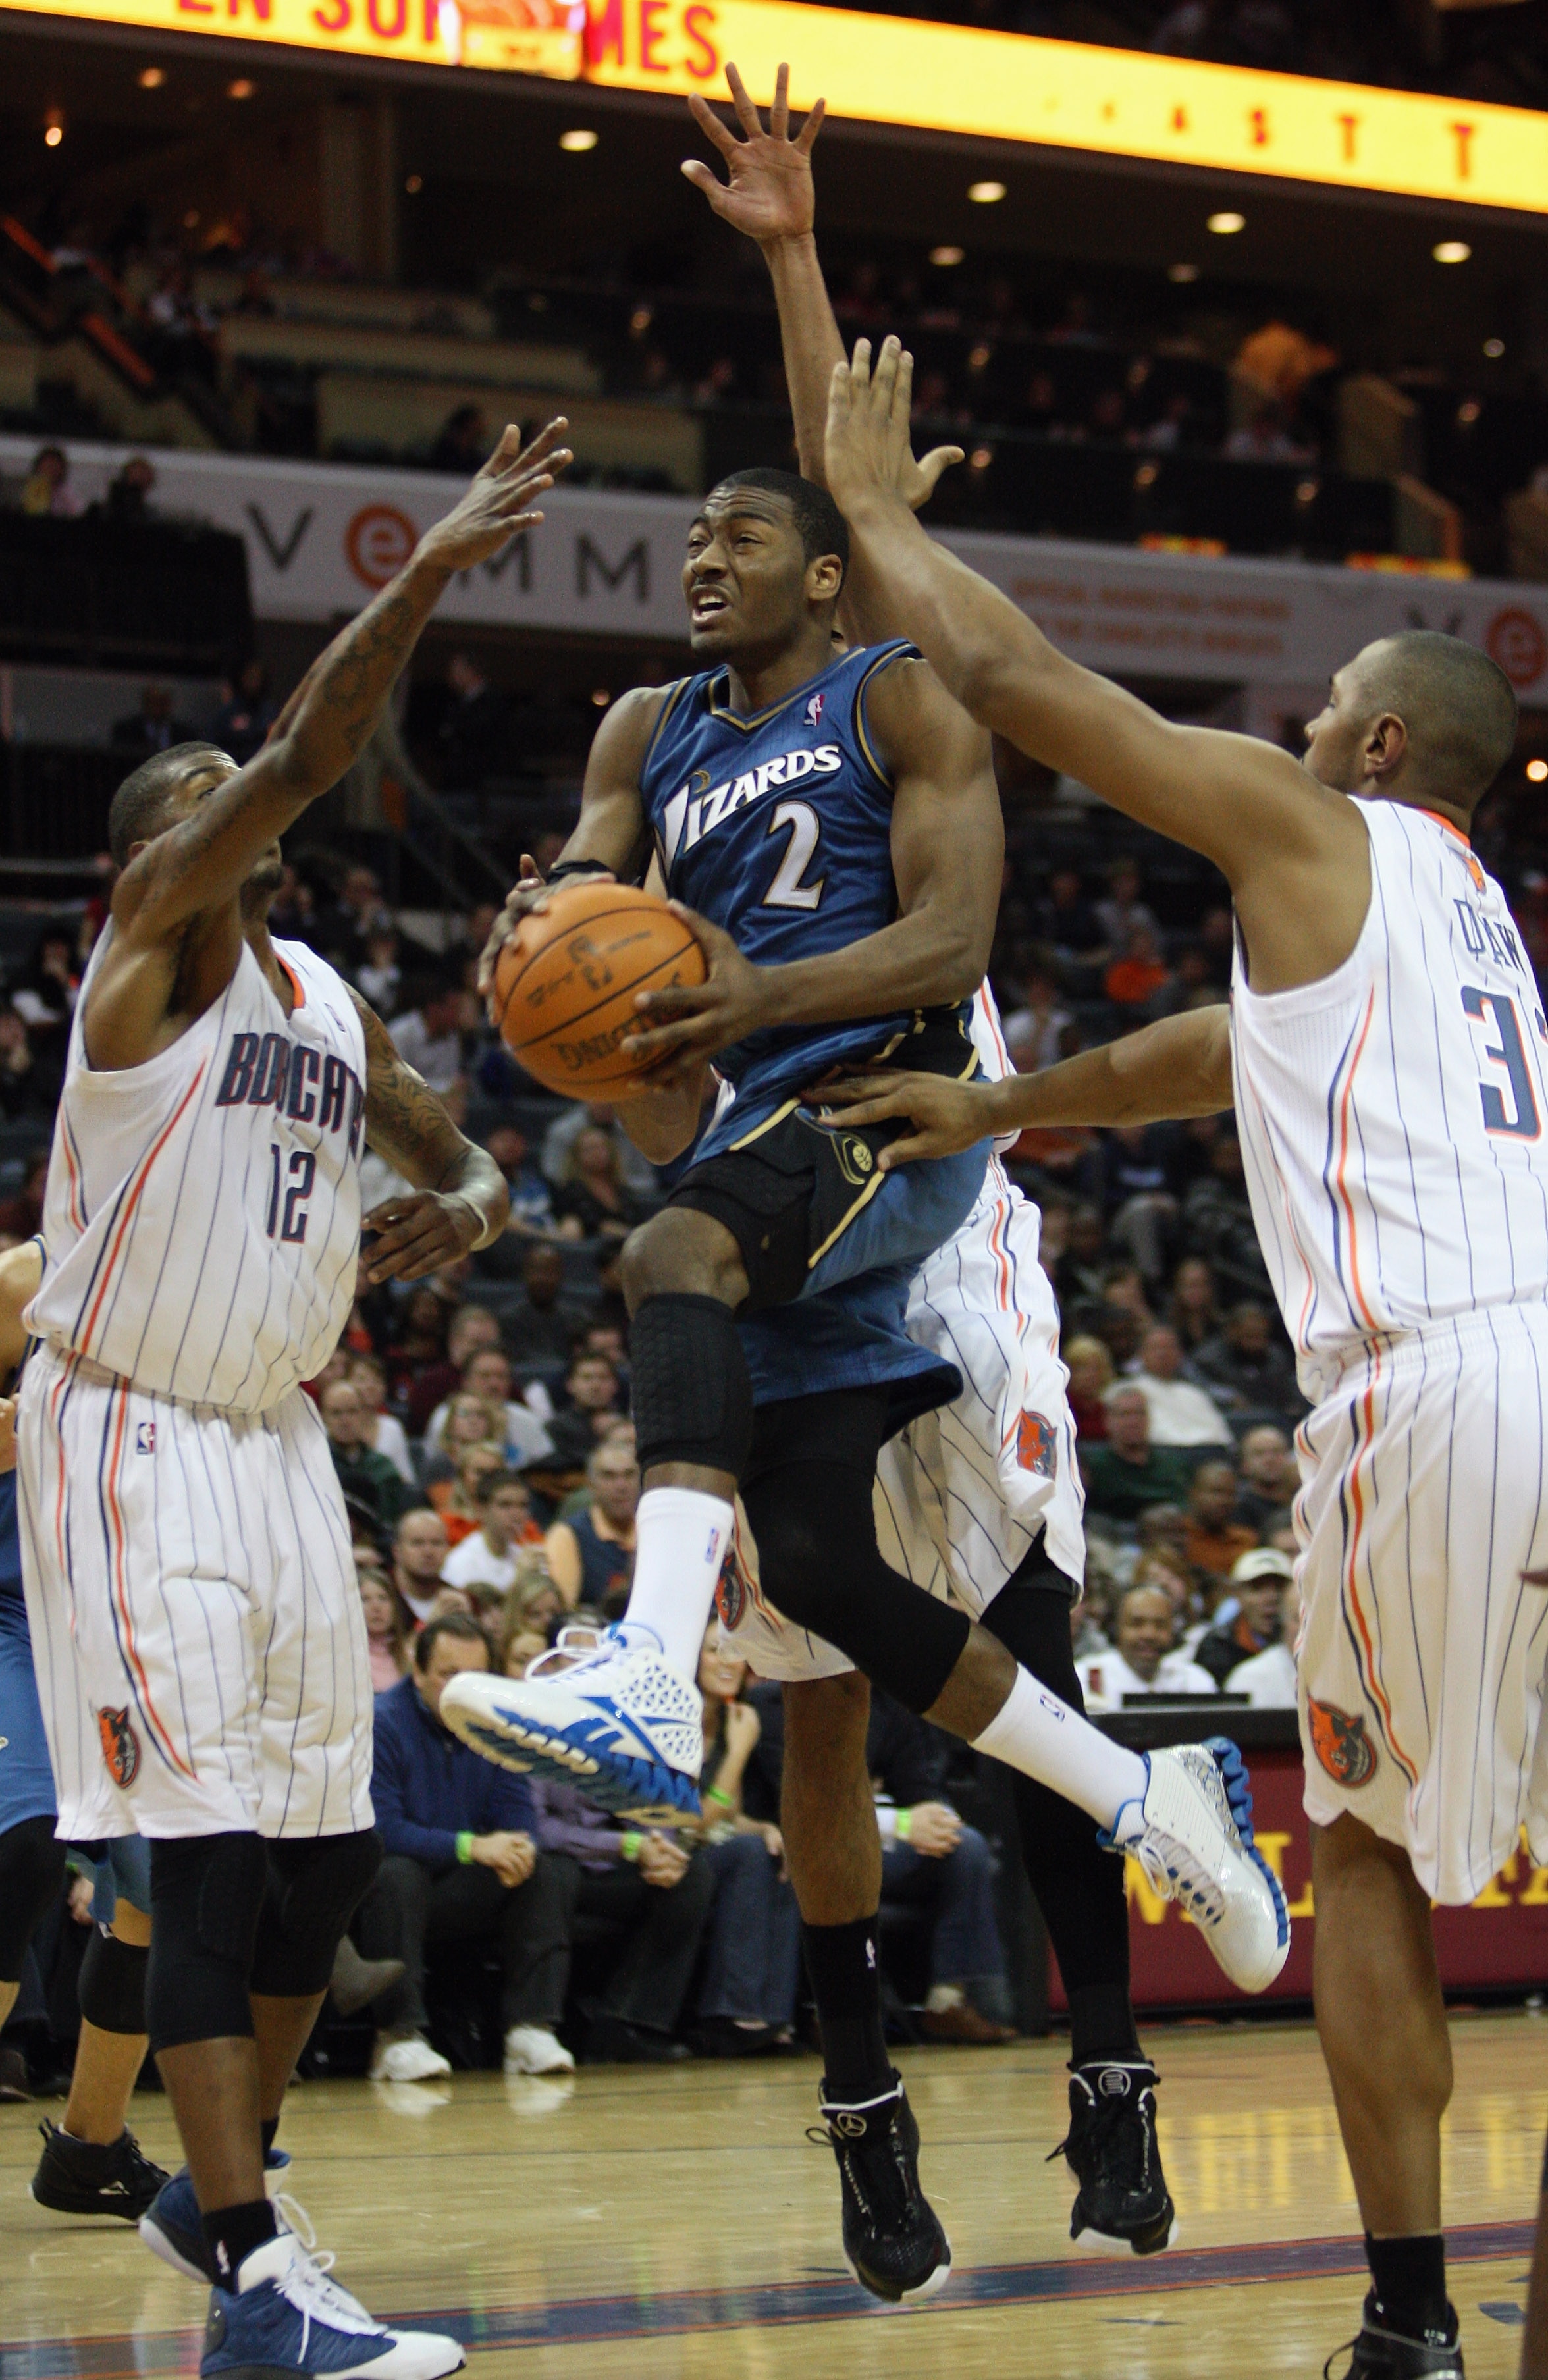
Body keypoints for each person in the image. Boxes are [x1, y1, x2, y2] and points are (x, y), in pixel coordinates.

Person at [448, 69, 1286, 2311]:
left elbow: (946, 931)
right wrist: (564, 977)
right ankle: (861, 2095)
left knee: (1010, 1611)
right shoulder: (648, 736)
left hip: (927, 1116)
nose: (698, 559)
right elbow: (620, 1011)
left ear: (817, 567)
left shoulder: (903, 687)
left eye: (741, 539)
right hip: (752, 1137)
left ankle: (1109, 2059)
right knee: (812, 1633)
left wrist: (796, 255)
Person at [818, 315, 1539, 2378]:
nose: (1302, 728)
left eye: (1324, 709)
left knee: (1374, 1852)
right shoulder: (1465, 923)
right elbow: (1209, 1054)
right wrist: (1000, 1100)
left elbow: (1037, 693)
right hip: (1546, 1359)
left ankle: (1404, 2316)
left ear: (1381, 745)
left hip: (1435, 1384)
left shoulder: (1321, 834)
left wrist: (872, 515)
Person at [15, 421, 566, 2380]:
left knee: (328, 1854)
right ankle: (254, 2269)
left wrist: (479, 1196)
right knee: (212, 1842)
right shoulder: (144, 967)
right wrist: (426, 565)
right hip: (132, 1430)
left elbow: (444, 1136)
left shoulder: (321, 997)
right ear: (160, 856)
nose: (237, 835)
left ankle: (207, 2189)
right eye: (204, 816)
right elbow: (309, 754)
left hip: (275, 1444)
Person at [0, 1242, 167, 2215]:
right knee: (19, 1844)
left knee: (159, 1888)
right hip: (15, 1610)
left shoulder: (207, 1293)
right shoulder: (25, 1281)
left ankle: (88, 2147)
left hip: (115, 1608)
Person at [354, 1614, 550, 2083]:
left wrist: (517, 1848)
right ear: (417, 1671)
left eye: (474, 1676)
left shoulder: (497, 1725)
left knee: (543, 1869)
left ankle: (530, 2029)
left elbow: (520, 1817)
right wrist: (472, 1846)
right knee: (396, 1873)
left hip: (460, 1885)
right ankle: (398, 2039)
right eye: (448, 1674)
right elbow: (383, 1830)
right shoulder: (383, 1723)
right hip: (393, 1890)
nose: (461, 1688)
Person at [686, 1624, 800, 2055]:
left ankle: (774, 2016)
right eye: (715, 1651)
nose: (727, 1662)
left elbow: (729, 1816)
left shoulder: (730, 1719)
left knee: (779, 1852)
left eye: (734, 1652)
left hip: (712, 1847)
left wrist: (768, 1829)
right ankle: (731, 2011)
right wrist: (738, 1751)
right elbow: (693, 1818)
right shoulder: (676, 1718)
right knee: (751, 1856)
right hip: (670, 1848)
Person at [1079, 1587, 1219, 1711]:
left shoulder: (1195, 1680)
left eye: (1160, 1625)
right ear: (1117, 1628)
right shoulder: (1085, 1676)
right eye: (1137, 1624)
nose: (1149, 1635)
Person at [543, 1439, 639, 1614]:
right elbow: (562, 1610)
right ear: (591, 1485)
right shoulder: (568, 1535)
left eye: (629, 1475)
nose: (621, 1486)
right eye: (609, 1476)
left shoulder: (653, 1531)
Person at [1080, 1383, 1196, 1525]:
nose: (1134, 1422)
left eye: (1140, 1413)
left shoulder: (1174, 1465)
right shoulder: (1092, 1466)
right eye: (1125, 1414)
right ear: (1108, 1421)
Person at [319, 1378, 415, 1531]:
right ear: (323, 1417)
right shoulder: (314, 1465)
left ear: (364, 1414)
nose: (345, 1421)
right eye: (336, 1413)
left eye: (352, 1412)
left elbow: (392, 1522)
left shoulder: (383, 1467)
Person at [1194, 1547, 1296, 1687]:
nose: (1271, 1598)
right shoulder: (1217, 1649)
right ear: (1238, 1595)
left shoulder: (1307, 1645)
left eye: (1279, 1588)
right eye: (1257, 1589)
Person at [1130, 1323, 1233, 1448]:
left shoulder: (1194, 1393)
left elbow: (1221, 1434)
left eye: (1169, 1348)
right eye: (1156, 1348)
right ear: (1141, 1354)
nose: (1163, 1354)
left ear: (1180, 1354)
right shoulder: (1130, 1390)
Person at [439, 1471, 538, 1600]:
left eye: (523, 1506)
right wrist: (521, 1581)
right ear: (481, 1510)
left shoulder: (524, 1556)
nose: (516, 1515)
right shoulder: (462, 1562)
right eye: (505, 1505)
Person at [1225, 1575, 1302, 1709]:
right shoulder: (1249, 1678)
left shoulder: (1345, 1672)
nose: (1305, 1628)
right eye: (1297, 1619)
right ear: (1282, 1622)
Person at [542, 1347, 625, 1470]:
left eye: (603, 1378)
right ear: (570, 1385)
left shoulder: (629, 1427)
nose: (595, 1386)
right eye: (587, 1378)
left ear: (615, 1385)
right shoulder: (556, 1429)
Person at [1183, 1460, 1259, 1583]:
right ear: (1193, 1493)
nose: (1224, 1501)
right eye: (1216, 1492)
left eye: (1231, 1494)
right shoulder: (1179, 1537)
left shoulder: (1247, 1541)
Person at [394, 1508, 454, 1625]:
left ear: (448, 1549)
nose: (428, 1552)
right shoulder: (380, 1598)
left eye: (436, 1543)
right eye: (418, 1543)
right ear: (397, 1551)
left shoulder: (459, 1601)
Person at [360, 1566, 414, 1694]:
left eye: (383, 1598)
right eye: (365, 1599)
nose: (376, 1607)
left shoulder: (409, 1658)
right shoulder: (344, 1658)